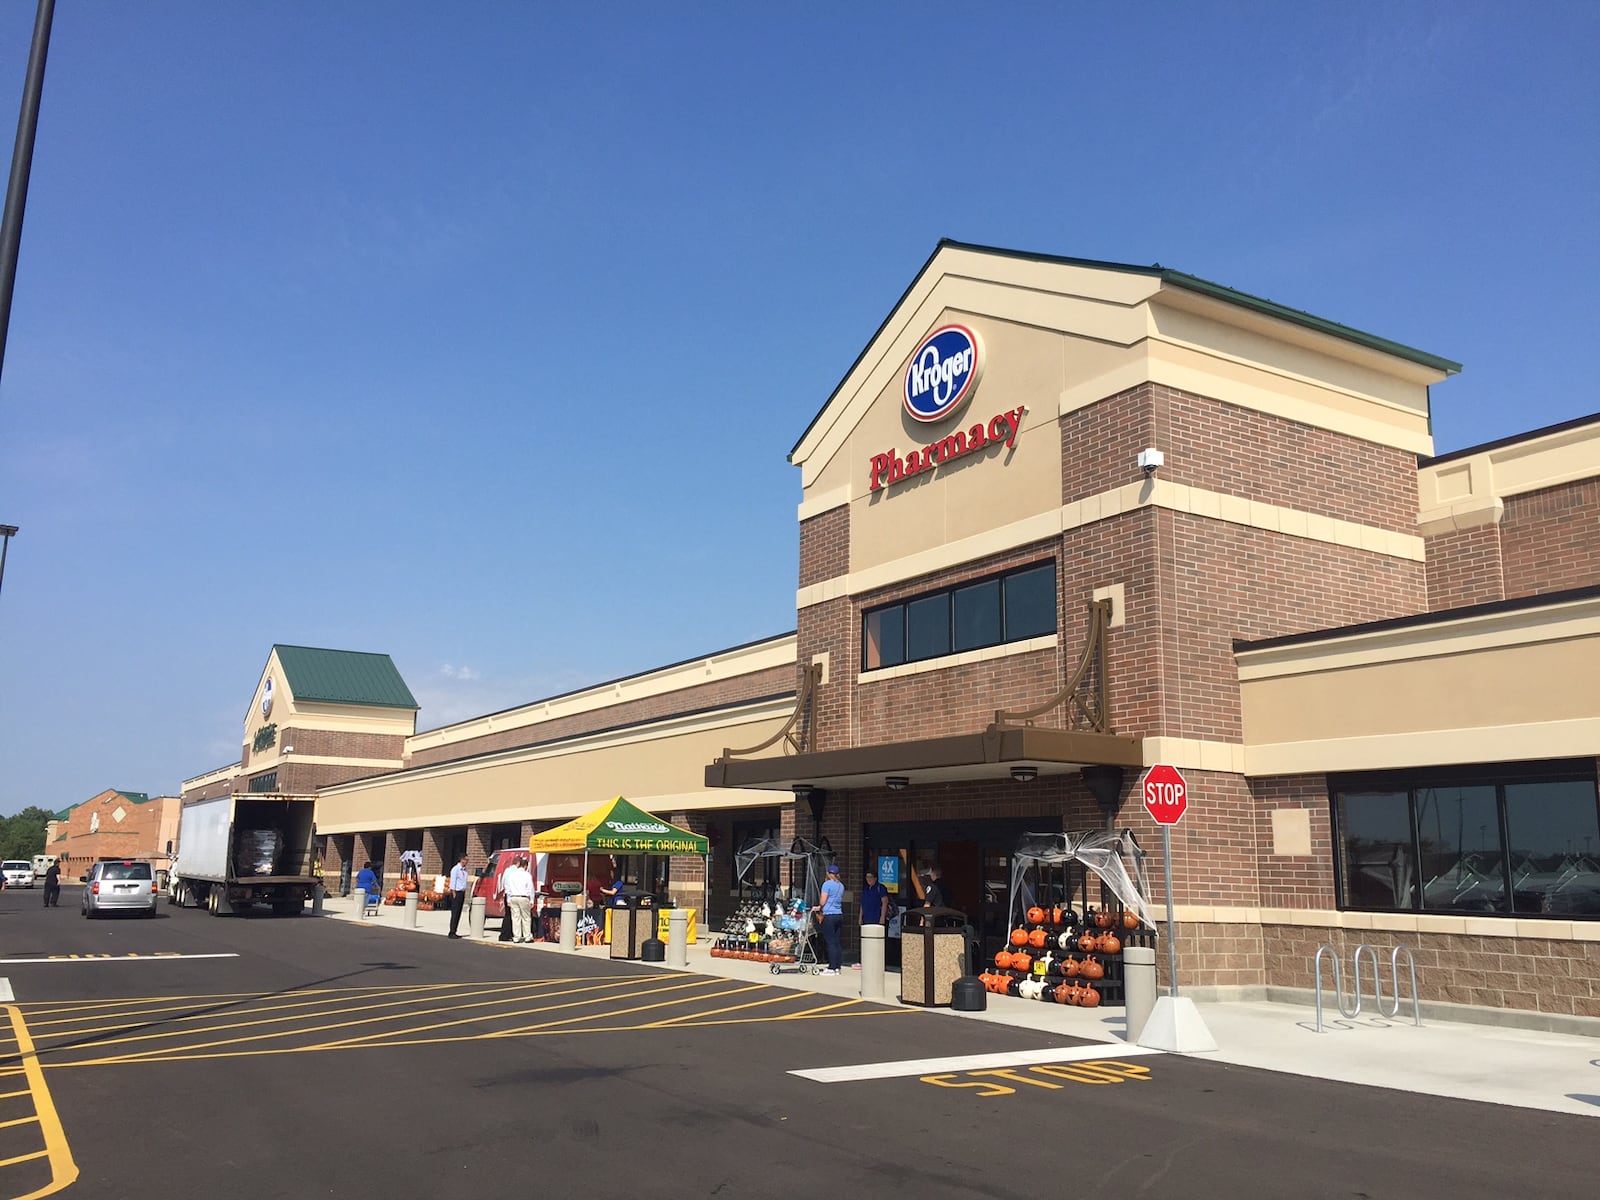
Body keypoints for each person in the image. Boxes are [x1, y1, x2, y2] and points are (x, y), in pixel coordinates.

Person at [812, 863, 845, 975]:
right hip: (839, 914)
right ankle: (837, 967)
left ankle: (831, 967)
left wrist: (818, 907)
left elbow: (823, 901)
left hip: (829, 915)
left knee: (830, 942)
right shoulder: (841, 885)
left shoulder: (827, 884)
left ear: (828, 874)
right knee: (836, 941)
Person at [501, 855, 536, 943]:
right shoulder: (527, 875)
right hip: (524, 897)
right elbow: (530, 888)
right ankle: (527, 936)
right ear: (525, 866)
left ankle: (516, 937)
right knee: (526, 917)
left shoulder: (512, 875)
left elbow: (508, 887)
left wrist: (508, 899)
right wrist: (532, 900)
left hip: (513, 897)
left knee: (515, 918)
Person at [446, 853, 470, 938]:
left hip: (462, 892)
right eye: (466, 860)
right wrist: (454, 893)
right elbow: (453, 882)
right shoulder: (455, 869)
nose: (467, 862)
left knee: (459, 913)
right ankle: (451, 931)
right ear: (461, 860)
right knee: (455, 913)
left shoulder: (465, 870)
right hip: (456, 892)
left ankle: (455, 930)